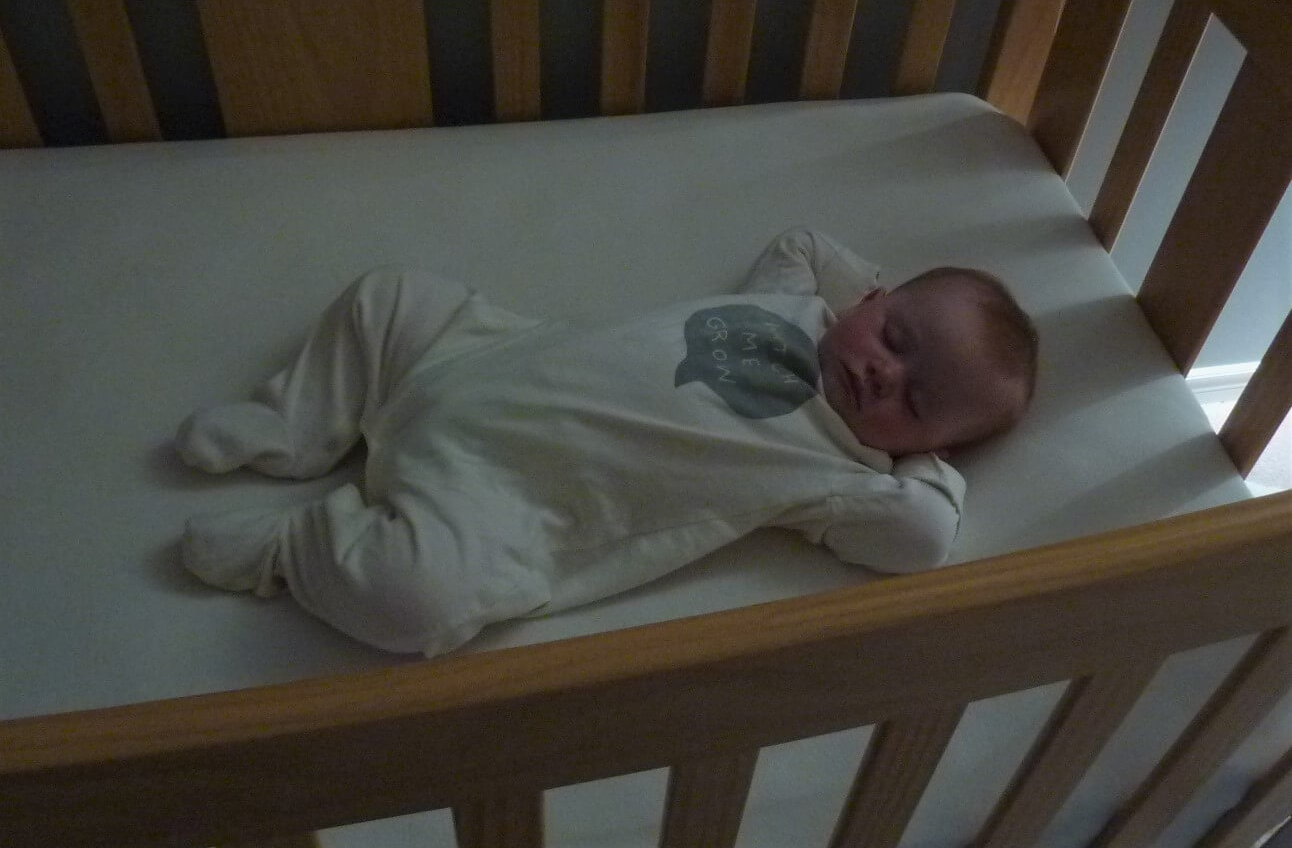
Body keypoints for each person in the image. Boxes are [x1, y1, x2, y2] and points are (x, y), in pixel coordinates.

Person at [176, 228, 1037, 655]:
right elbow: (803, 240)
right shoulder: (796, 300)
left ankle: (292, 545)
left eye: (916, 401)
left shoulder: (843, 472)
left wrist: (920, 459)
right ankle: (296, 423)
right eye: (895, 335)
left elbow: (924, 540)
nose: (884, 374)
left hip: (502, 498)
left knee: (412, 601)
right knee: (389, 294)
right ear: (873, 299)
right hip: (471, 354)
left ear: (929, 446)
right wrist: (866, 299)